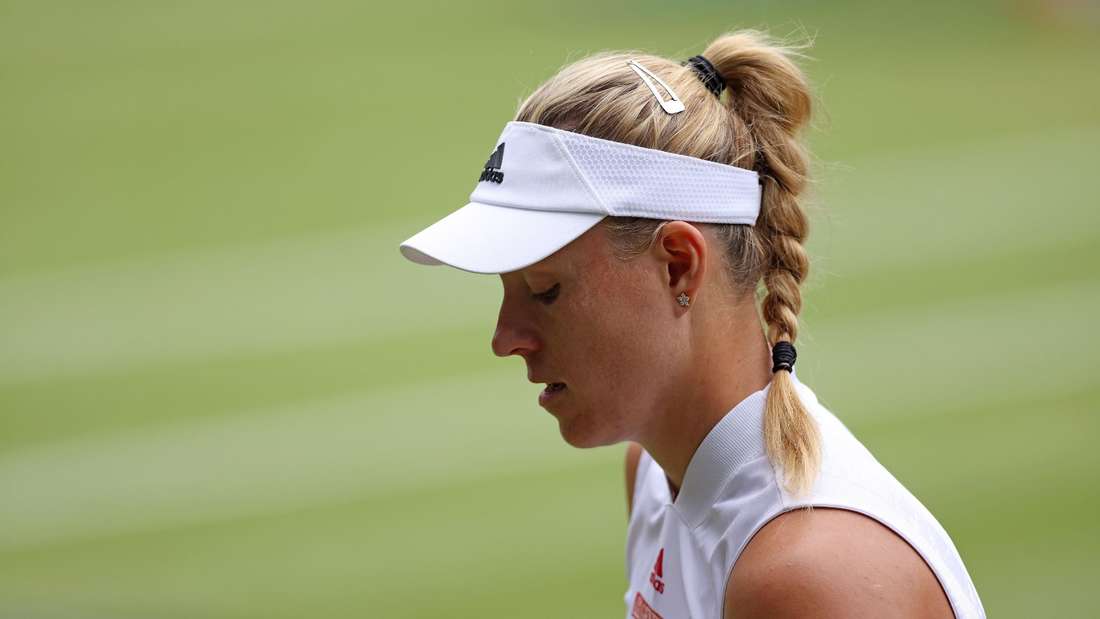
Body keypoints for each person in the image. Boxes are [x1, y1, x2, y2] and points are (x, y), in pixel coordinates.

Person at [398, 30, 985, 619]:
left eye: (546, 290)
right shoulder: (656, 475)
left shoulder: (809, 576)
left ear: (678, 265)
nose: (506, 339)